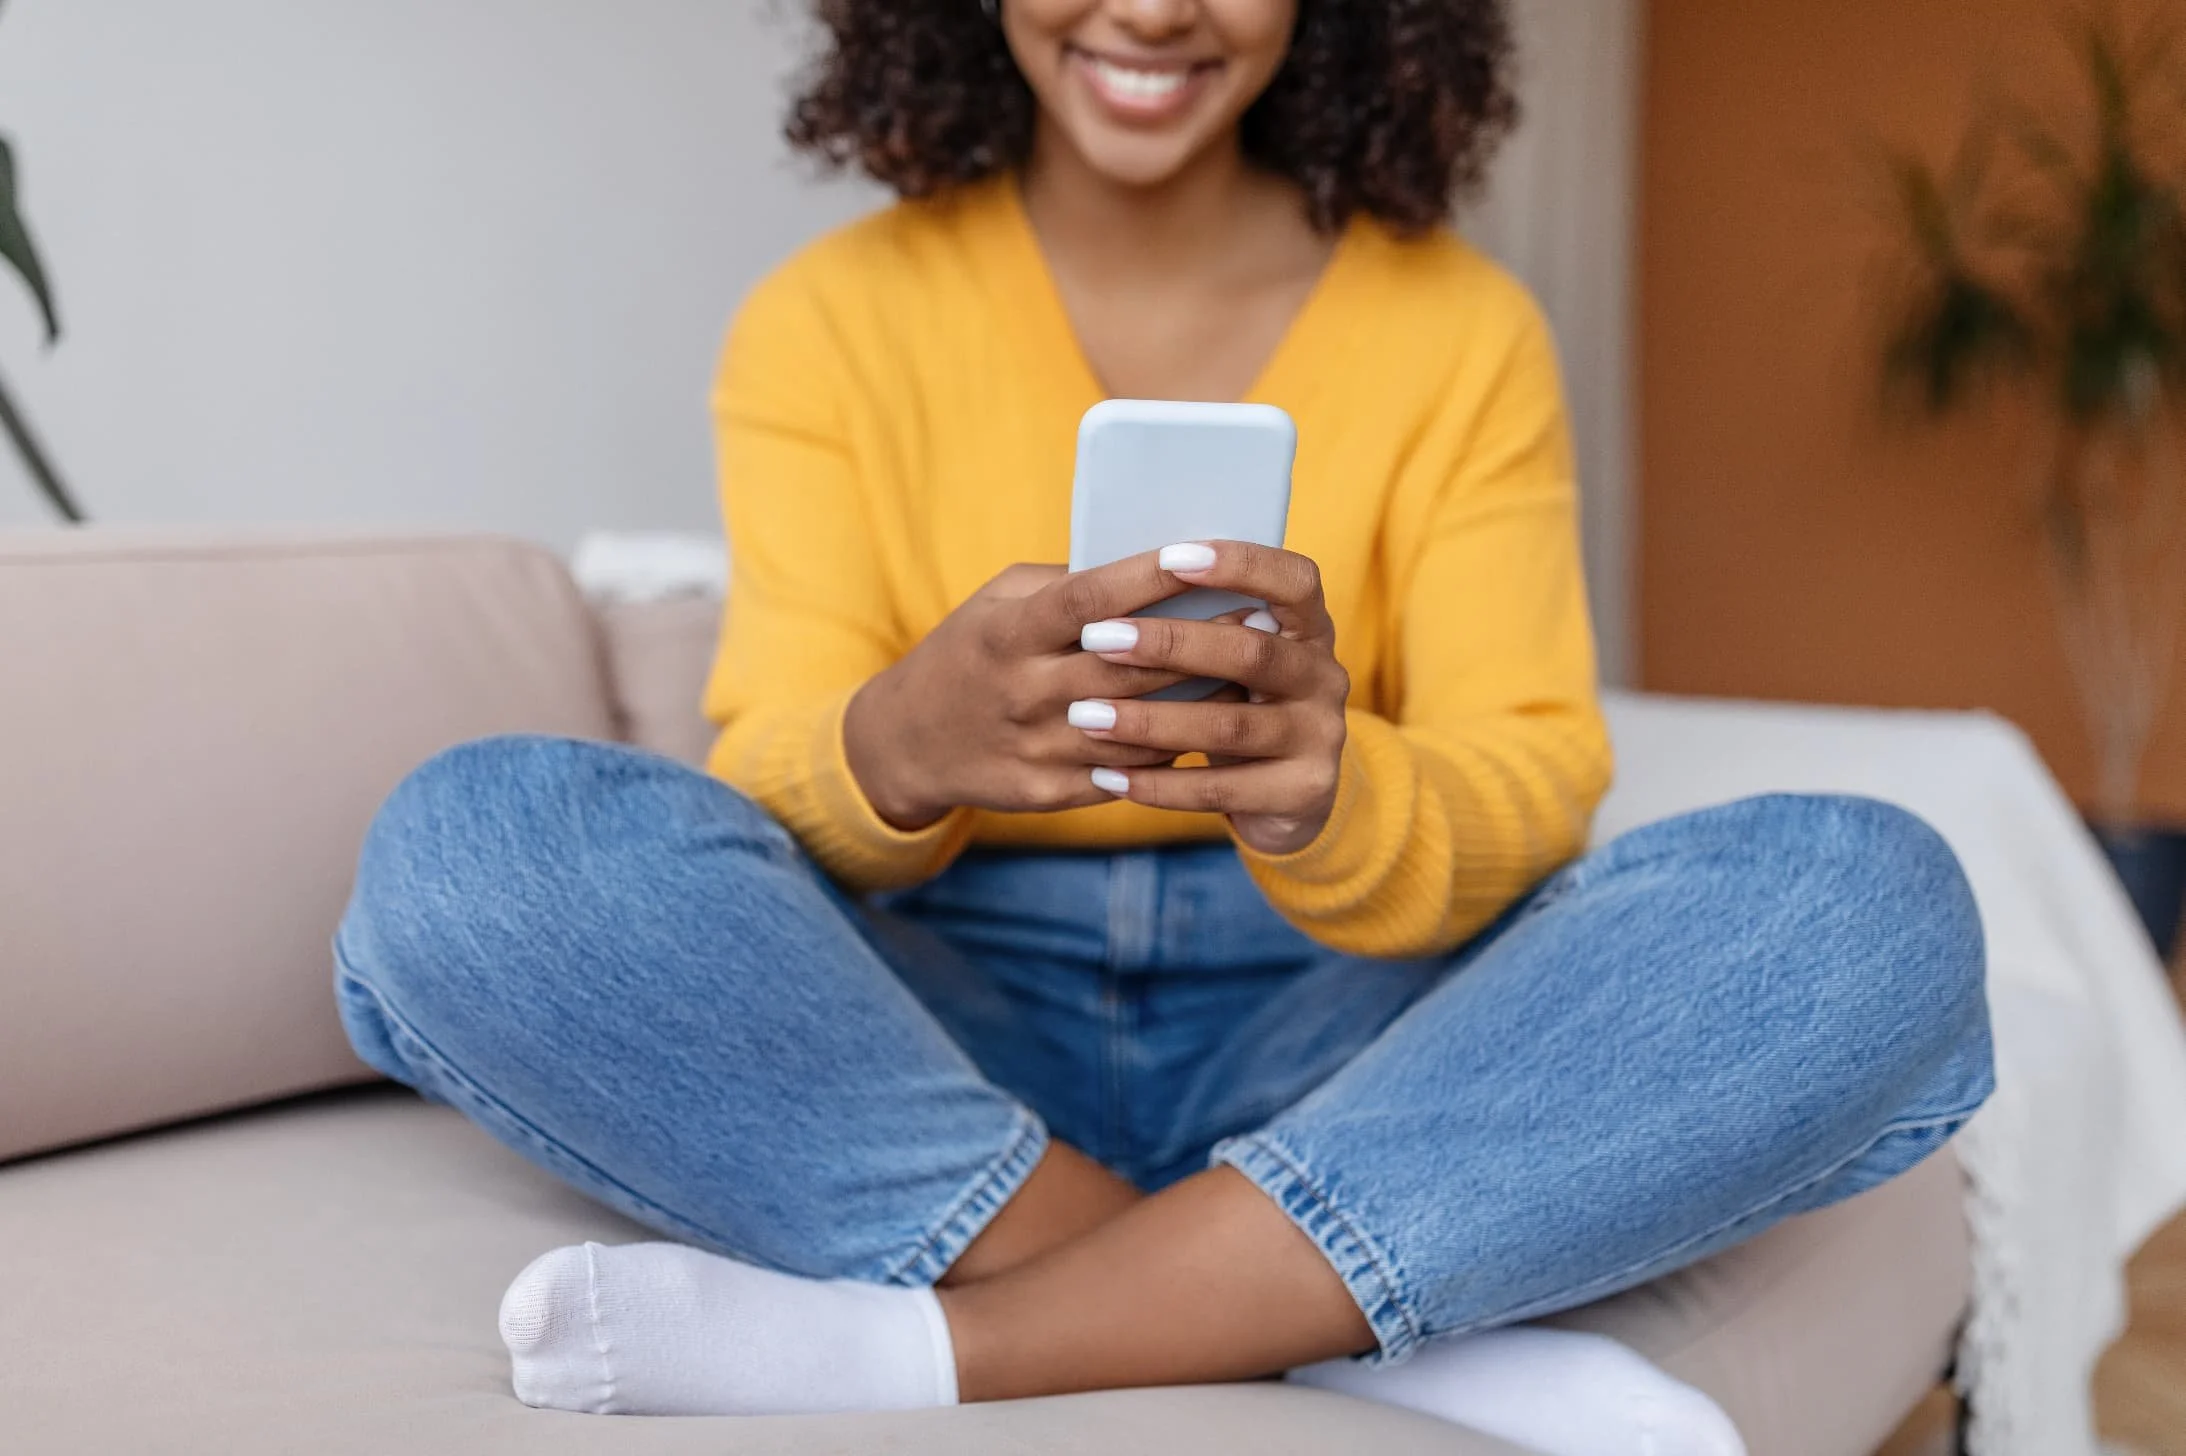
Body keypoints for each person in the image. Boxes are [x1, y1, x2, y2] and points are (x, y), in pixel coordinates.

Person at [332, 1, 1994, 1449]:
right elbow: (769, 764)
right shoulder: (826, 322)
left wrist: (1335, 793)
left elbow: (1535, 773)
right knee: (475, 851)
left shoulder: (1459, 329)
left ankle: (964, 1343)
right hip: (931, 1002)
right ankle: (1302, 1316)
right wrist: (893, 745)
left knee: (1860, 896)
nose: (1148, 8)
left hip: (1350, 1028)